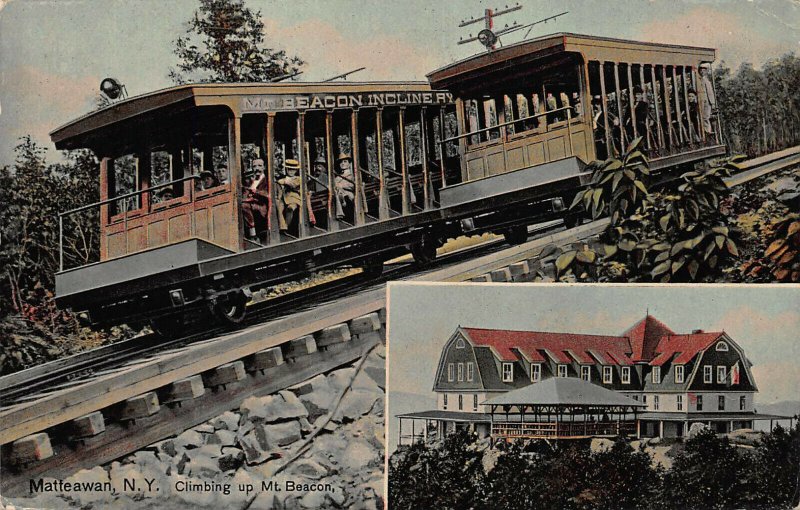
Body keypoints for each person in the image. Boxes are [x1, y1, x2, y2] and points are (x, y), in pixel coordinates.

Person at [242, 159, 269, 242]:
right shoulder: (252, 181)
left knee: (244, 206)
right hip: (252, 204)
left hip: (263, 206)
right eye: (254, 166)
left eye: (259, 166)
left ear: (264, 167)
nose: (257, 168)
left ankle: (253, 234)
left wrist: (256, 192)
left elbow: (268, 195)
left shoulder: (267, 180)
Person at [277, 159, 302, 231]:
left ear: (296, 171)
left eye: (293, 170)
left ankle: (288, 227)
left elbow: (292, 184)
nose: (291, 171)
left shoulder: (298, 178)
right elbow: (279, 181)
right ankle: (283, 226)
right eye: (289, 169)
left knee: (290, 208)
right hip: (284, 198)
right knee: (279, 208)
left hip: (294, 198)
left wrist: (284, 181)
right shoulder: (285, 178)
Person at [334, 153, 356, 219]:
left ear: (349, 164)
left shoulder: (352, 175)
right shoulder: (337, 177)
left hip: (349, 194)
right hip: (338, 194)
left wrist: (342, 186)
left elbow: (353, 186)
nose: (342, 163)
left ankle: (343, 199)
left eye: (345, 161)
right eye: (341, 162)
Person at [698, 64, 717, 136]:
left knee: (706, 117)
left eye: (703, 70)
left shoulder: (707, 81)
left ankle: (708, 131)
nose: (702, 72)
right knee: (702, 116)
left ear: (706, 71)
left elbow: (710, 92)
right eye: (701, 70)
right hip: (701, 101)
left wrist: (712, 103)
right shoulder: (699, 80)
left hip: (707, 101)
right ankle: (704, 131)